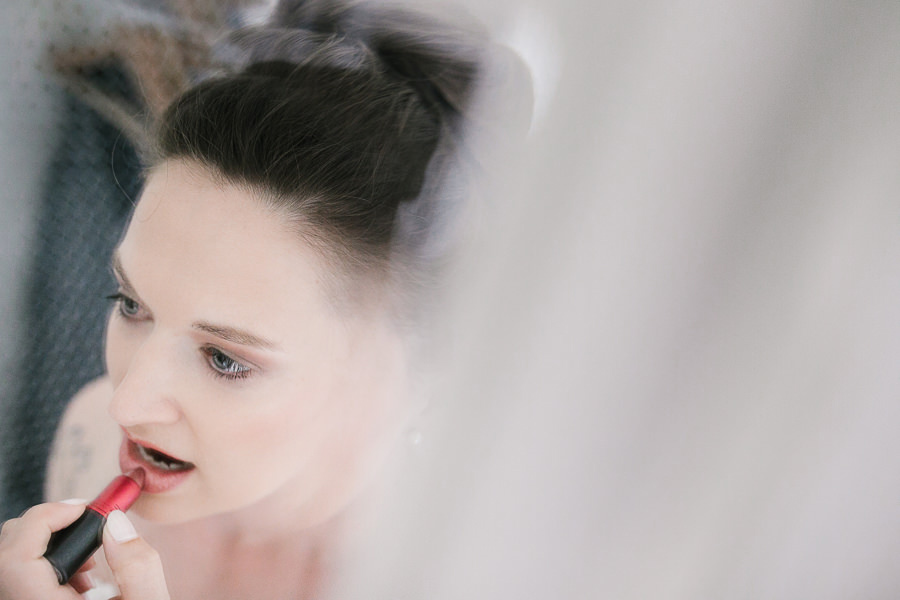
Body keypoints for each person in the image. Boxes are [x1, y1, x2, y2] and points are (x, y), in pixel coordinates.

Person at [0, 1, 528, 598]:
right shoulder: (93, 445)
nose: (125, 403)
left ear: (391, 375)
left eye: (225, 359)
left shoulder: (440, 571)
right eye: (130, 304)